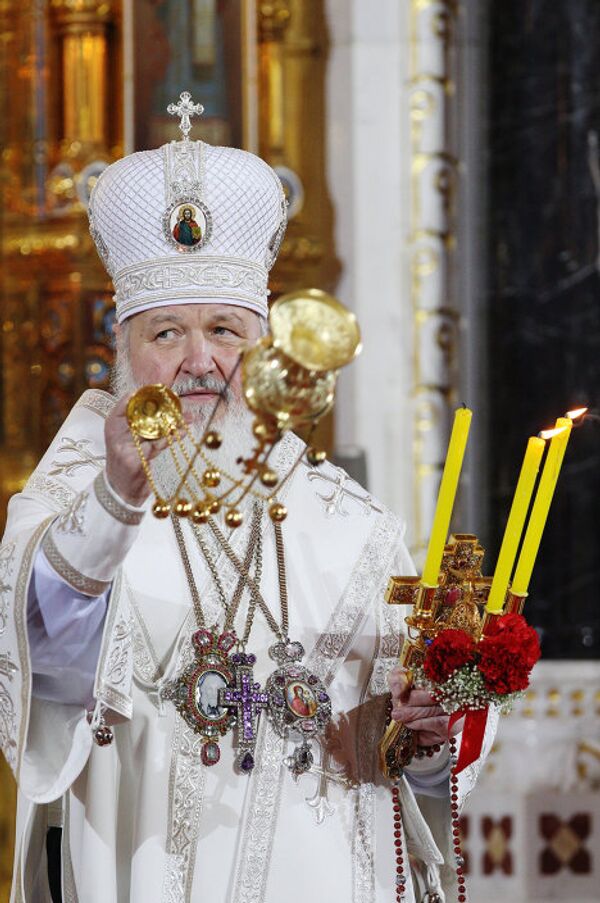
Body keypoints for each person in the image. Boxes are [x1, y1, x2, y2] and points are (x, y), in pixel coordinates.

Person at [0, 94, 496, 903]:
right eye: (166, 332)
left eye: (227, 330)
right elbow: (45, 668)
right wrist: (121, 498)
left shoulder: (352, 525)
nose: (201, 359)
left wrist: (427, 726)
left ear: (265, 347)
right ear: (122, 348)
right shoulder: (68, 507)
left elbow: (422, 749)